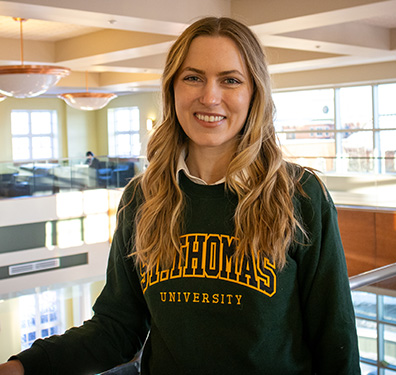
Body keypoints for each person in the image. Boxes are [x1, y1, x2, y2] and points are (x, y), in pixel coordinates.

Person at [0, 17, 361, 375]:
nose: (209, 97)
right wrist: (23, 366)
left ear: (254, 94)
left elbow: (336, 340)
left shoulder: (299, 195)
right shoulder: (142, 199)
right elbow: (117, 329)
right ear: (172, 88)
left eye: (230, 80)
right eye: (193, 77)